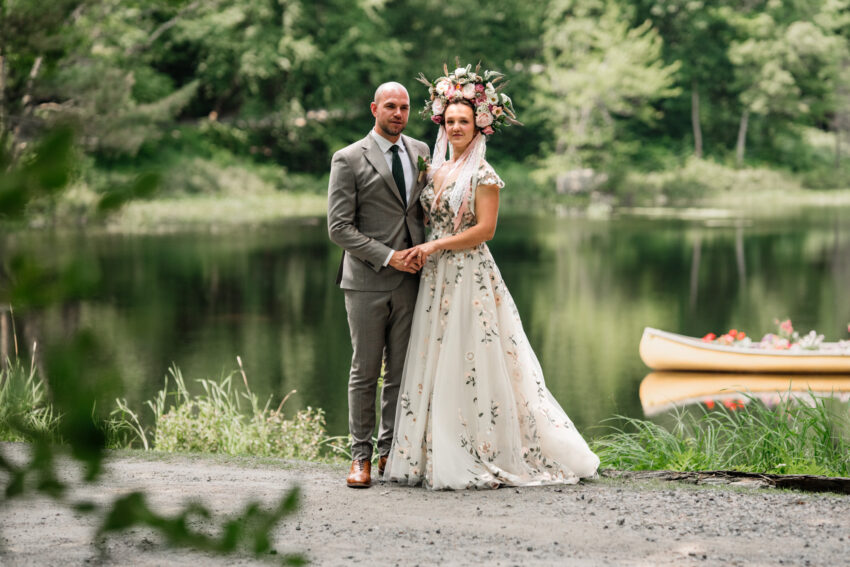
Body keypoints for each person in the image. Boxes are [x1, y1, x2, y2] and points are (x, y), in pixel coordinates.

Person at [385, 64, 600, 489]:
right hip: (435, 280)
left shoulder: (483, 175)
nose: (457, 127)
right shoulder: (436, 170)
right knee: (436, 357)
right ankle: (428, 452)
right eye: (451, 121)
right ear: (442, 126)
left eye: (465, 121)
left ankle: (484, 448)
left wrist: (433, 246)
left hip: (469, 275)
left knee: (471, 357)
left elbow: (485, 231)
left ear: (479, 127)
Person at [327, 82, 431, 488]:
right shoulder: (348, 158)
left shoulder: (421, 152)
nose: (398, 114)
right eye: (391, 106)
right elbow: (338, 228)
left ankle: (390, 453)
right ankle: (360, 458)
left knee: (402, 373)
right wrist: (389, 256)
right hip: (367, 281)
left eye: (404, 107)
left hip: (412, 281)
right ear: (375, 108)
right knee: (365, 371)